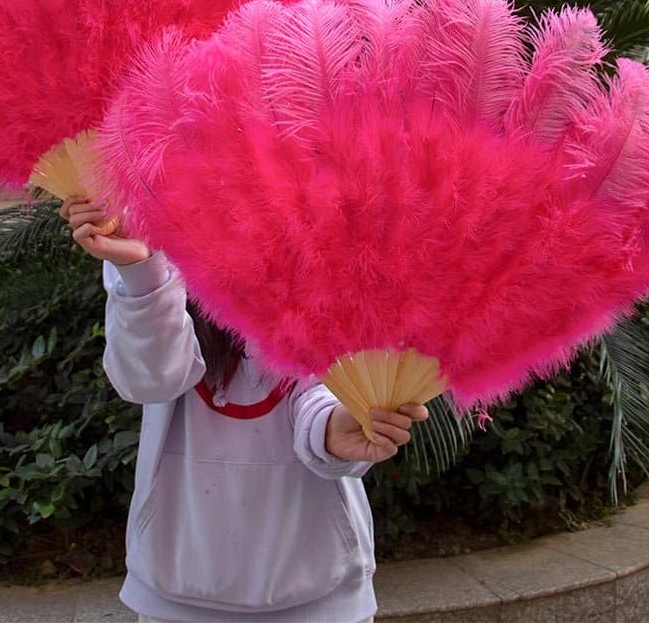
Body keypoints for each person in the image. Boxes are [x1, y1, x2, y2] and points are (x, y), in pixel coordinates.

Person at [61, 197, 428, 623]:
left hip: (320, 589)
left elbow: (323, 382)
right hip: (178, 585)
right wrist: (141, 271)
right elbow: (149, 381)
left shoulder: (330, 231)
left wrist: (334, 429)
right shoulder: (147, 226)